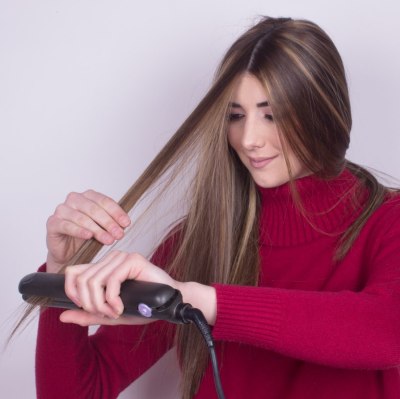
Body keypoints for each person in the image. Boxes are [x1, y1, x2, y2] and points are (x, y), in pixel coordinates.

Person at [31, 16, 400, 399]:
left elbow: (387, 330)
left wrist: (195, 299)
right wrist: (62, 275)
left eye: (271, 114)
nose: (249, 138)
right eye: (235, 115)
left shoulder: (389, 220)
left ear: (323, 112)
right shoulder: (199, 242)